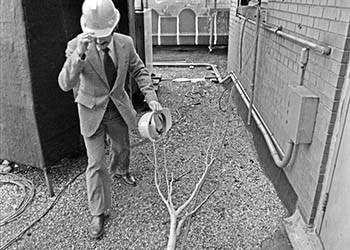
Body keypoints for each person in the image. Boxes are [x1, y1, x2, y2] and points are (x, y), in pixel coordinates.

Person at [58, 0, 162, 239]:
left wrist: (150, 96)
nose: (98, 43)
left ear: (113, 28)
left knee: (122, 146)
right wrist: (78, 56)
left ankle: (121, 170)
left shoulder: (125, 43)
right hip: (91, 110)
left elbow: (139, 70)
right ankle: (99, 211)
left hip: (117, 107)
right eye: (94, 38)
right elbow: (65, 84)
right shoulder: (76, 45)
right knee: (95, 163)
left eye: (103, 39)